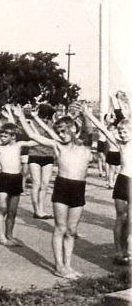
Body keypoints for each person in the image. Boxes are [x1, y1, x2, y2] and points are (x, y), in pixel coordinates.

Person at [14, 104, 92, 278]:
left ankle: (68, 265)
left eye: (64, 131)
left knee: (71, 231)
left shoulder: (85, 146)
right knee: (60, 228)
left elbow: (88, 129)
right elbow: (33, 135)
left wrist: (86, 115)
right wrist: (21, 117)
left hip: (78, 189)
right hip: (62, 187)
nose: (61, 135)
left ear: (73, 129)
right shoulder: (58, 146)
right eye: (59, 132)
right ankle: (59, 266)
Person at [0, 110, 36, 247]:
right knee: (2, 209)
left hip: (16, 179)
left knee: (12, 212)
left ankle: (9, 235)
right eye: (1, 135)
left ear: (13, 136)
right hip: (4, 179)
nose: (2, 137)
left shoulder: (19, 145)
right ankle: (1, 237)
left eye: (5, 135)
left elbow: (34, 142)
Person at [84, 100, 130, 264]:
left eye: (125, 131)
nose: (122, 134)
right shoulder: (120, 145)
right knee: (120, 218)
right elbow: (103, 128)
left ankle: (127, 251)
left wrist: (124, 103)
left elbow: (127, 114)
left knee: (130, 220)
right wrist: (89, 115)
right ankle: (118, 251)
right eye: (120, 132)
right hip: (123, 181)